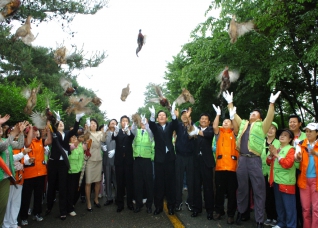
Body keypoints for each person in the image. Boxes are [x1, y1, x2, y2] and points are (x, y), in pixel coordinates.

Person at [223, 90, 281, 228]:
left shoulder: (262, 126)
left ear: (260, 118)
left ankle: (260, 219)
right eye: (251, 113)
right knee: (242, 189)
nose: (251, 115)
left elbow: (269, 117)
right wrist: (230, 102)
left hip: (255, 160)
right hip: (242, 160)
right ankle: (241, 213)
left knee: (258, 190)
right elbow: (234, 115)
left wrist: (271, 104)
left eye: (254, 114)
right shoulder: (243, 123)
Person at [46, 112, 84, 220]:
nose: (61, 124)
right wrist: (55, 120)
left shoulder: (67, 134)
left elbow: (75, 129)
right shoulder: (55, 134)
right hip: (54, 162)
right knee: (52, 185)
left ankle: (63, 211)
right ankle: (49, 206)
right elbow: (52, 126)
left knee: (63, 187)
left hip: (63, 164)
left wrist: (77, 119)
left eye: (62, 123)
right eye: (59, 123)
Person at [148, 102, 178, 215]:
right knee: (159, 184)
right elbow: (150, 125)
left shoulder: (170, 125)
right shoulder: (155, 126)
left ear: (166, 117)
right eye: (159, 115)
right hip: (159, 159)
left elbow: (175, 124)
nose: (161, 117)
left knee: (170, 183)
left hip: (170, 158)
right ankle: (158, 207)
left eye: (163, 115)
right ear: (157, 118)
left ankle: (171, 207)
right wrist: (151, 116)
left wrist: (173, 114)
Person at [212, 105, 239, 224]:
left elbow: (238, 128)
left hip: (233, 169)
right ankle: (219, 211)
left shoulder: (235, 134)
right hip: (220, 168)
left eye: (228, 121)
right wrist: (218, 114)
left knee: (232, 193)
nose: (226, 123)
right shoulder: (219, 133)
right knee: (219, 192)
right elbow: (214, 126)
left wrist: (233, 117)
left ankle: (231, 214)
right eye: (224, 121)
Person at [21, 123, 52, 226]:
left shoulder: (41, 142)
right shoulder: (27, 143)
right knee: (26, 197)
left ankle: (37, 213)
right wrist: (30, 128)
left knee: (38, 196)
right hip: (29, 174)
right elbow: (28, 142)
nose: (36, 132)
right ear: (28, 133)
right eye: (33, 131)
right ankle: (24, 217)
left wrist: (48, 130)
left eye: (36, 130)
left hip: (41, 173)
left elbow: (49, 140)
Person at [267, 128, 297, 228]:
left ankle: (291, 225)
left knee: (289, 207)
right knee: (279, 205)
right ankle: (281, 223)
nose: (282, 136)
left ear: (290, 139)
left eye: (285, 135)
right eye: (280, 135)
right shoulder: (277, 148)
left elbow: (288, 164)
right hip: (276, 181)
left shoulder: (291, 149)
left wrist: (276, 154)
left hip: (286, 182)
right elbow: (268, 162)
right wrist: (271, 155)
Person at [188, 112, 215, 220]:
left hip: (207, 163)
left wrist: (196, 130)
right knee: (196, 187)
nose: (203, 120)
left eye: (205, 119)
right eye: (201, 118)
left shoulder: (210, 130)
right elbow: (190, 135)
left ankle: (209, 210)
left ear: (209, 122)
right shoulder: (195, 129)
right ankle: (196, 209)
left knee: (208, 188)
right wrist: (190, 119)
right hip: (196, 163)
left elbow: (207, 135)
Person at [0, 118, 26, 225]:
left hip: (5, 178)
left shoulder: (5, 140)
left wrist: (21, 132)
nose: (0, 128)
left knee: (2, 206)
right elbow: (2, 147)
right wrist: (14, 132)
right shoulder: (5, 142)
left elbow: (20, 145)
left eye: (1, 126)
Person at [3, 134, 31, 228]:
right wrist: (22, 153)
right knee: (7, 201)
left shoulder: (20, 146)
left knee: (16, 202)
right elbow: (11, 158)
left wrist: (29, 160)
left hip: (20, 177)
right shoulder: (5, 145)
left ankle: (13, 222)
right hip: (9, 177)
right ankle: (6, 224)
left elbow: (25, 160)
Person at [295, 123, 318, 228]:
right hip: (303, 180)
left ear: (316, 133)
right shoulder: (300, 144)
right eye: (307, 131)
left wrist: (315, 153)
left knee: (316, 208)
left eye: (311, 131)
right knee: (305, 208)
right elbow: (296, 157)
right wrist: (298, 158)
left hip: (316, 181)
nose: (308, 133)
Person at [131, 115, 154, 213]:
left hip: (147, 160)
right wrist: (136, 121)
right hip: (137, 160)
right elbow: (133, 129)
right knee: (138, 183)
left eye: (145, 122)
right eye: (142, 122)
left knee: (148, 183)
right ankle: (139, 204)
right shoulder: (137, 132)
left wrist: (147, 125)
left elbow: (150, 133)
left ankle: (149, 205)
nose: (143, 123)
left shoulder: (150, 132)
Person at [112, 115, 135, 212]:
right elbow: (114, 137)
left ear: (128, 123)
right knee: (120, 183)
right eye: (123, 121)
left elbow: (132, 137)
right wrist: (116, 132)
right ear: (120, 122)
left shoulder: (130, 132)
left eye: (126, 120)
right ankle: (120, 203)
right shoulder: (118, 131)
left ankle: (129, 203)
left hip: (129, 161)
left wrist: (128, 131)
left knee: (129, 183)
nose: (124, 122)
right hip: (119, 161)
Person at [174, 108, 195, 213]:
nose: (184, 115)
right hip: (179, 156)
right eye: (182, 114)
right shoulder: (178, 125)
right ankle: (178, 202)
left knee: (191, 180)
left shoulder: (192, 125)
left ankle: (190, 201)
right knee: (178, 180)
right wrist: (176, 116)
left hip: (190, 157)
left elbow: (193, 133)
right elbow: (173, 124)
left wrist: (189, 119)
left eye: (186, 114)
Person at [84, 118, 107, 212]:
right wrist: (86, 128)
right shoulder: (87, 133)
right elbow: (84, 138)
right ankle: (88, 202)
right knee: (88, 182)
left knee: (98, 181)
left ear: (97, 125)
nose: (93, 124)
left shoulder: (99, 133)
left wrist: (104, 132)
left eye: (94, 123)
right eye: (91, 123)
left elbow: (103, 139)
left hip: (98, 158)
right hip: (90, 159)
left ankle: (96, 199)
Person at [288, 114, 306, 228]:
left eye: (295, 122)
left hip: (302, 170)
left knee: (301, 199)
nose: (292, 124)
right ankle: (291, 222)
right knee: (291, 198)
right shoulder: (286, 136)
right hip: (289, 170)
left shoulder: (306, 136)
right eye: (290, 122)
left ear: (300, 124)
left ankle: (303, 222)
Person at [261, 122, 279, 227]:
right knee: (265, 196)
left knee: (274, 196)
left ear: (276, 131)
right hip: (262, 172)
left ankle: (275, 217)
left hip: (274, 173)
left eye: (273, 128)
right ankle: (268, 216)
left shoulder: (278, 142)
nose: (270, 130)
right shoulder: (261, 142)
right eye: (269, 128)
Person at [66, 133, 86, 216]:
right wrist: (78, 141)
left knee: (78, 189)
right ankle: (69, 208)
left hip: (80, 170)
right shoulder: (68, 146)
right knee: (71, 190)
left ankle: (73, 204)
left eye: (75, 136)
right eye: (72, 137)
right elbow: (72, 147)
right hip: (72, 171)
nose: (74, 138)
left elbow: (86, 144)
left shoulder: (81, 145)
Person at [103, 119, 117, 206]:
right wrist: (102, 147)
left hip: (116, 160)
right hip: (107, 159)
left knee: (116, 180)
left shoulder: (118, 133)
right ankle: (109, 197)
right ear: (108, 125)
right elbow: (101, 142)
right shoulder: (105, 133)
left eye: (114, 122)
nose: (113, 123)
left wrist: (115, 150)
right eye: (111, 122)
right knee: (107, 179)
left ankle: (118, 197)